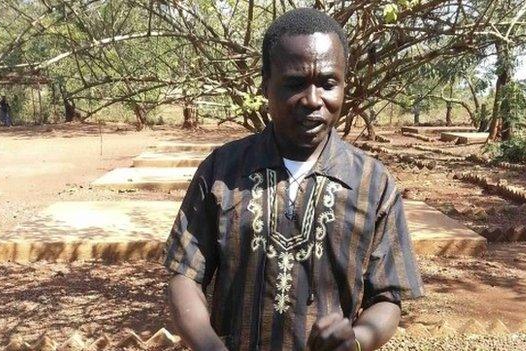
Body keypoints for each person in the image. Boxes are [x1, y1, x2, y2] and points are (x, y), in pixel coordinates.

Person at [164, 8, 423, 351]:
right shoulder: (222, 171)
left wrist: (358, 340)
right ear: (266, 83)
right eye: (295, 84)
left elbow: (388, 296)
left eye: (328, 83)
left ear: (344, 84)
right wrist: (210, 346)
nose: (314, 100)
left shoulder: (373, 184)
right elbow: (185, 274)